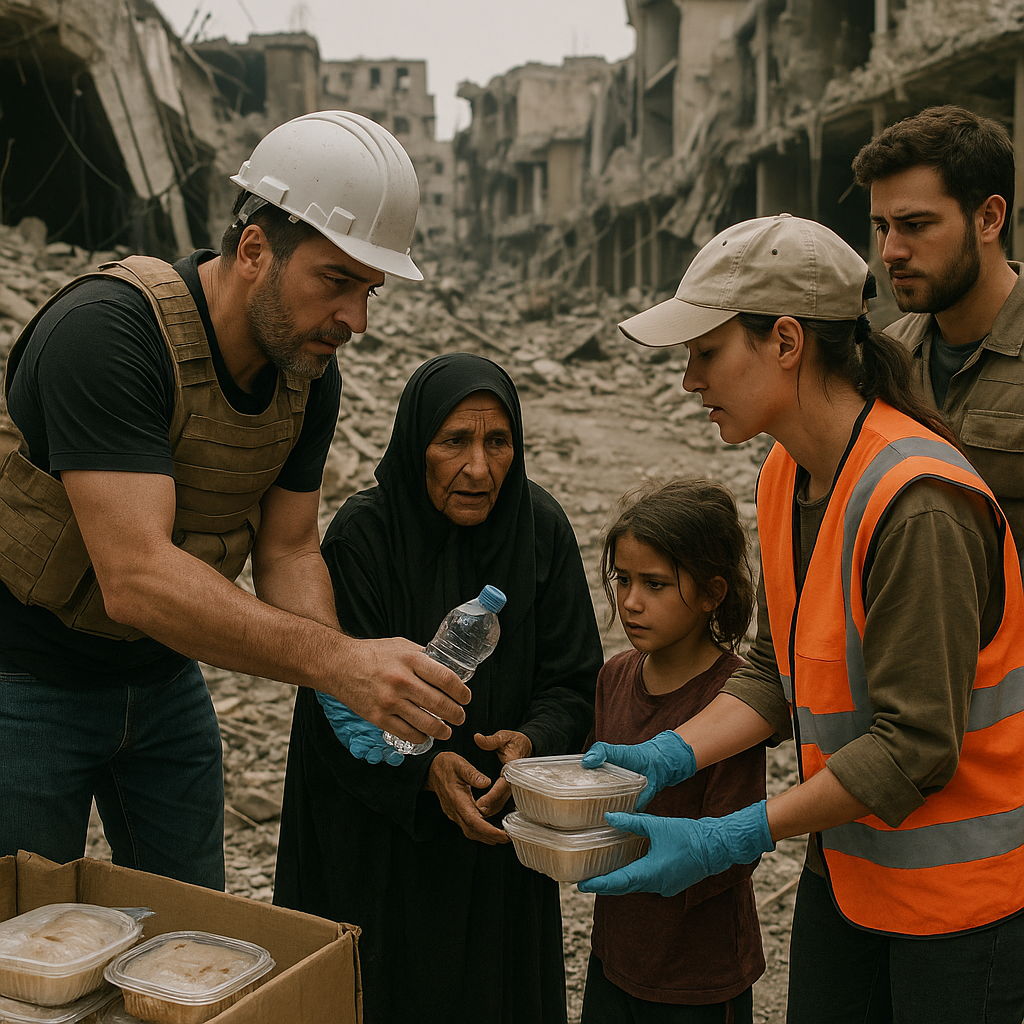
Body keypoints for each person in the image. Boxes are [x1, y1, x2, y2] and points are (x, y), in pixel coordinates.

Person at [0, 111, 470, 889]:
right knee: (23, 944)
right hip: (26, 680)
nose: (356, 319)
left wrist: (340, 687)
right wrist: (342, 662)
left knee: (191, 932)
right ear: (254, 249)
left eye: (370, 289)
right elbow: (137, 578)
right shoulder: (109, 334)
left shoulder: (306, 368)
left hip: (163, 682)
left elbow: (285, 549)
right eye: (337, 281)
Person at [583, 213, 1024, 1024]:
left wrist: (736, 833)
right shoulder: (787, 475)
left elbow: (913, 746)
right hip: (851, 875)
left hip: (960, 909)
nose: (688, 379)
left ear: (786, 340)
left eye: (706, 352)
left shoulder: (918, 503)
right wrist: (667, 755)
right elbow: (774, 669)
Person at [274, 352, 602, 1024]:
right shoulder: (364, 538)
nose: (479, 468)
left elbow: (574, 677)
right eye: (454, 441)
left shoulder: (539, 529)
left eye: (497, 441)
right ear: (416, 442)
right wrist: (424, 774)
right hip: (379, 848)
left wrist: (534, 742)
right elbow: (329, 699)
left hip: (494, 843)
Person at [581, 478, 764, 1024]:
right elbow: (596, 789)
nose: (631, 602)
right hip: (614, 953)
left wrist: (666, 855)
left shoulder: (732, 700)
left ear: (712, 592)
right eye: (624, 580)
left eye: (656, 585)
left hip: (699, 976)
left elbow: (739, 845)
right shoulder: (615, 677)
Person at [852, 105, 1024, 558]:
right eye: (881, 227)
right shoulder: (884, 359)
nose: (890, 252)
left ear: (988, 219)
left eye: (915, 225)